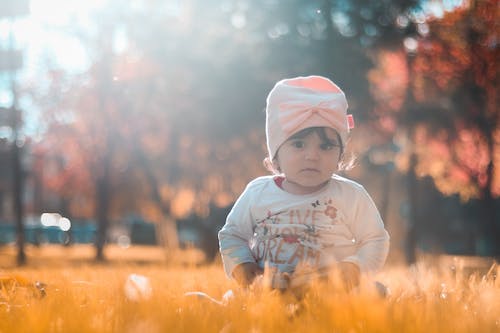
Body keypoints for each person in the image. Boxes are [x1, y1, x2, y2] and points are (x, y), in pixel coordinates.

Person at [218, 75, 390, 293]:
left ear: (340, 155)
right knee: (205, 301)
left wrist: (352, 269)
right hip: (269, 289)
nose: (312, 155)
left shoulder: (351, 195)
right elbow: (232, 235)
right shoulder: (258, 193)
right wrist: (245, 269)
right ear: (276, 155)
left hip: (331, 290)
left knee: (376, 291)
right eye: (298, 145)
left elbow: (375, 239)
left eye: (326, 146)